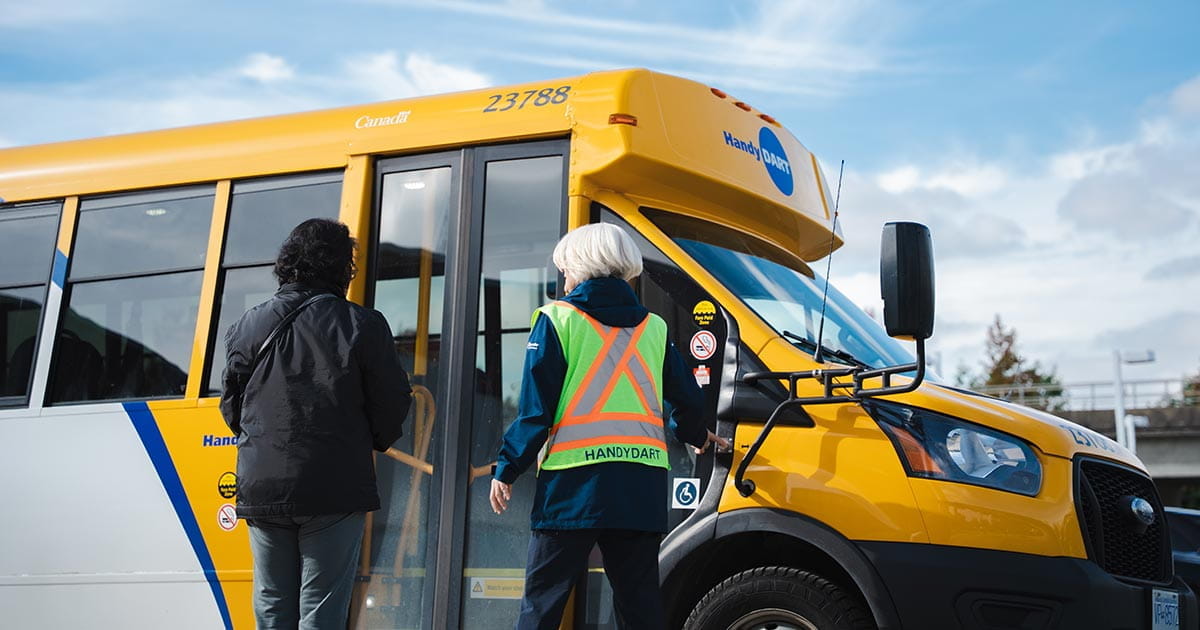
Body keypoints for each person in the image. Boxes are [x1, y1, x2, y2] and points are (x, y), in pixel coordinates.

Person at [490, 223, 728, 630]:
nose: (564, 279)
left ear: (582, 268)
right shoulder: (655, 328)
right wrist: (696, 435)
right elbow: (687, 398)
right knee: (639, 609)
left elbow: (536, 411)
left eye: (565, 269)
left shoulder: (557, 321)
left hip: (572, 487)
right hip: (639, 485)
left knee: (542, 606)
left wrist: (507, 468)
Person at [220, 218, 412, 630]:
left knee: (272, 604)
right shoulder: (363, 324)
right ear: (343, 268)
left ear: (287, 263)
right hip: (334, 485)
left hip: (264, 484)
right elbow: (393, 403)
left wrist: (264, 445)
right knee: (321, 610)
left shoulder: (248, 324)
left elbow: (232, 407)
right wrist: (371, 440)